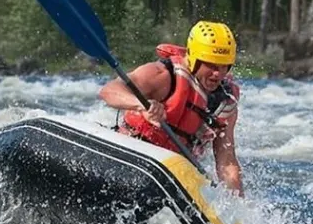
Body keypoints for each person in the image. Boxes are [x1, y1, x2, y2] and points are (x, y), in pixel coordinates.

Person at [98, 20, 245, 196]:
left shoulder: (225, 101)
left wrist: (236, 205)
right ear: (193, 57)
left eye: (224, 66)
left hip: (171, 172)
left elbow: (226, 160)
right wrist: (142, 106)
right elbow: (109, 91)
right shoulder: (163, 75)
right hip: (132, 153)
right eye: (211, 65)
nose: (218, 74)